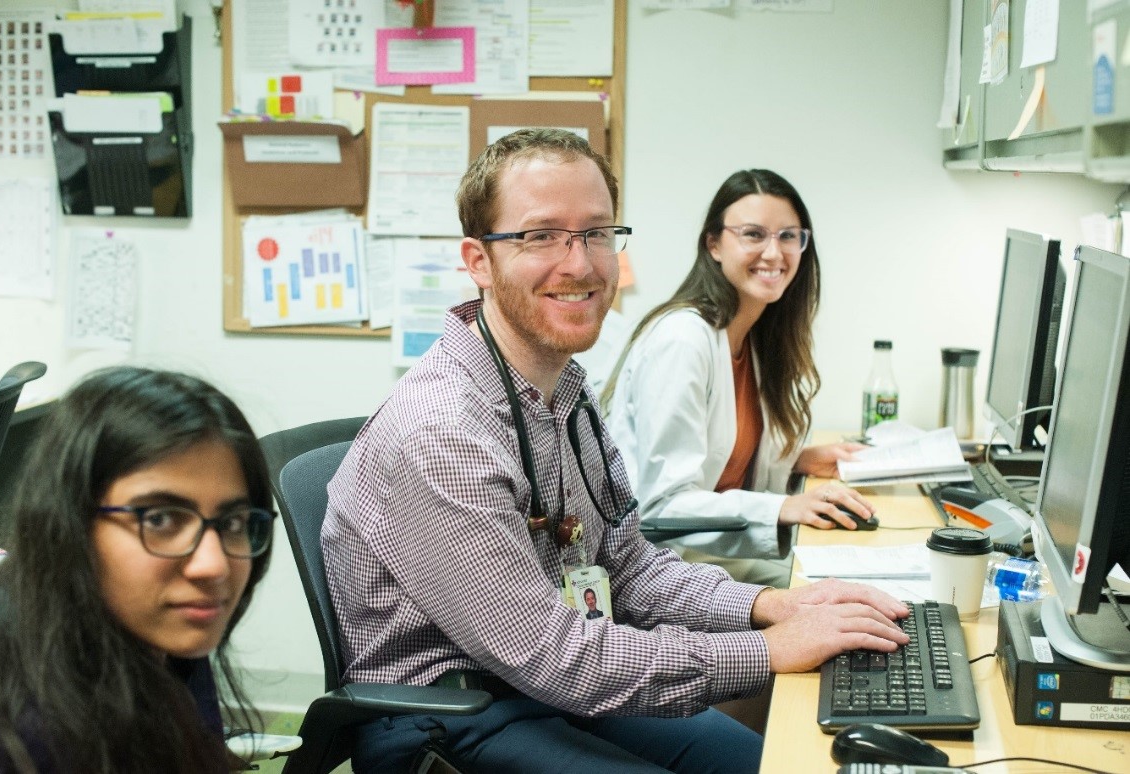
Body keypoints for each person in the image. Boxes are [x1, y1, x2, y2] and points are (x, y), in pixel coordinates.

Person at [322, 128, 909, 773]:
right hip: (447, 718)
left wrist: (769, 605)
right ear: (478, 260)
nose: (579, 264)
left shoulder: (564, 392)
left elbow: (622, 564)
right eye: (540, 235)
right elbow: (553, 654)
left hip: (542, 689)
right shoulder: (443, 433)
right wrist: (768, 650)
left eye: (596, 233)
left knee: (771, 764)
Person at [0, 367, 275, 774]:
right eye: (161, 520)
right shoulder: (19, 728)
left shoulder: (165, 633)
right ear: (70, 523)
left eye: (233, 523)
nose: (214, 565)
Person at [602, 169, 874, 587]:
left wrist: (798, 459)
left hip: (713, 559)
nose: (774, 252)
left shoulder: (752, 337)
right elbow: (661, 505)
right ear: (714, 244)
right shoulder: (683, 341)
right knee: (844, 599)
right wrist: (783, 506)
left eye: (788, 236)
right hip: (664, 571)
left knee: (859, 589)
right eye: (753, 234)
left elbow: (729, 461)